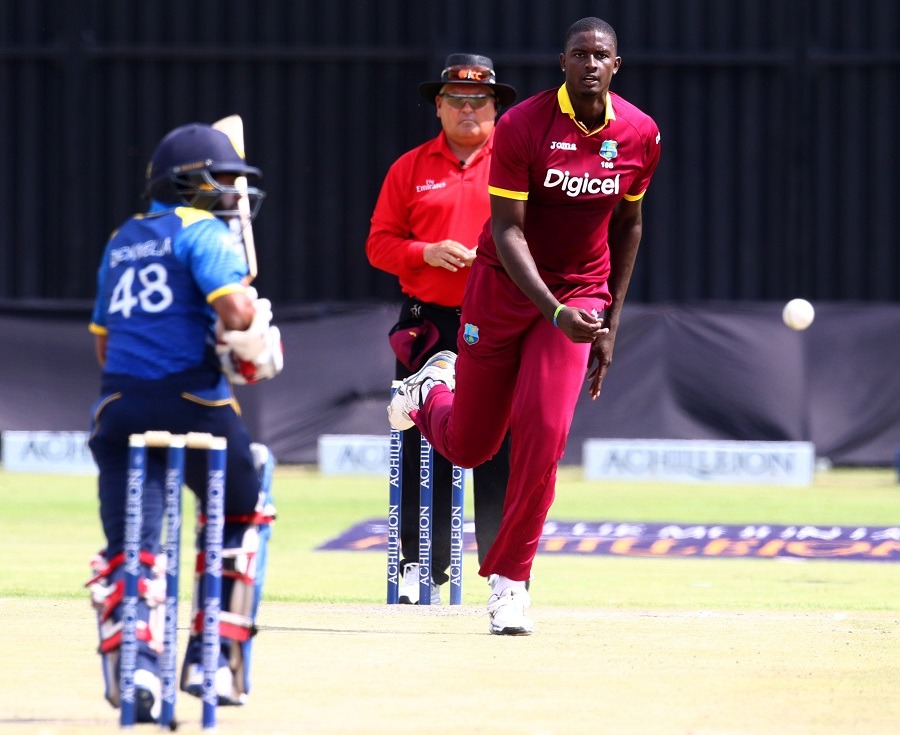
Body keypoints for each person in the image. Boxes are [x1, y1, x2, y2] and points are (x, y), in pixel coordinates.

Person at [389, 17, 661, 633]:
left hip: (580, 293)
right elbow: (508, 232)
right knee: (472, 446)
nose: (590, 64)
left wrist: (607, 320)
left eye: (601, 56)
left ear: (616, 65)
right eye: (579, 55)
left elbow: (630, 226)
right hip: (506, 288)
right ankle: (429, 392)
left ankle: (512, 583)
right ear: (561, 62)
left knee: (544, 429)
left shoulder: (641, 133)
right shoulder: (523, 125)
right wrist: (554, 310)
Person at [86, 122, 283, 721]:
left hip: (116, 406)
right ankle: (211, 659)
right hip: (194, 400)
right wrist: (246, 332)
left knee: (135, 546)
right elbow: (236, 310)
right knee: (247, 507)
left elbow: (103, 345)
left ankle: (136, 676)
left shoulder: (121, 239)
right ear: (189, 182)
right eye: (223, 181)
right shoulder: (201, 231)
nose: (232, 195)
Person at [366, 53, 517, 603]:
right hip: (428, 322)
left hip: (497, 317)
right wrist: (425, 252)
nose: (468, 109)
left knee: (497, 440)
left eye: (480, 100)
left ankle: (503, 572)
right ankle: (413, 563)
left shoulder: (514, 162)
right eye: (456, 99)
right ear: (438, 105)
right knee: (414, 436)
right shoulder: (410, 167)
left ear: (497, 107)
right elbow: (378, 245)